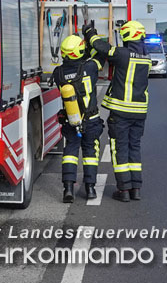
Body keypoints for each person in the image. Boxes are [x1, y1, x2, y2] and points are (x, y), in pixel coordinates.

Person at [83, 20, 150, 202]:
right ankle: (135, 188)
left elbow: (102, 47)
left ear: (127, 36)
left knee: (119, 148)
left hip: (121, 112)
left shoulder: (122, 54)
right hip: (140, 113)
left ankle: (123, 190)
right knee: (134, 148)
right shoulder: (147, 58)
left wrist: (90, 33)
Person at [52, 35, 104, 202]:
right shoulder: (90, 67)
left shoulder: (57, 73)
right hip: (91, 119)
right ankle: (90, 189)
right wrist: (91, 38)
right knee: (90, 153)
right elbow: (102, 54)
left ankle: (68, 188)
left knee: (70, 152)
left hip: (71, 120)